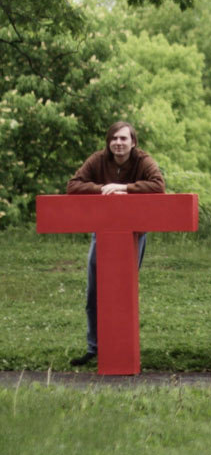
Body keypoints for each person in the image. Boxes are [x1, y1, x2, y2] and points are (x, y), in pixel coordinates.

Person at [66, 121, 165, 366]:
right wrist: (103, 190)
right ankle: (94, 347)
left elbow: (158, 185)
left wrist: (123, 188)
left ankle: (120, 348)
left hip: (134, 234)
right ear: (108, 142)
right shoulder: (98, 160)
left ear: (133, 142)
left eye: (123, 139)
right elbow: (73, 185)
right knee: (94, 292)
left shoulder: (143, 160)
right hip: (103, 233)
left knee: (122, 291)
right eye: (114, 139)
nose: (118, 143)